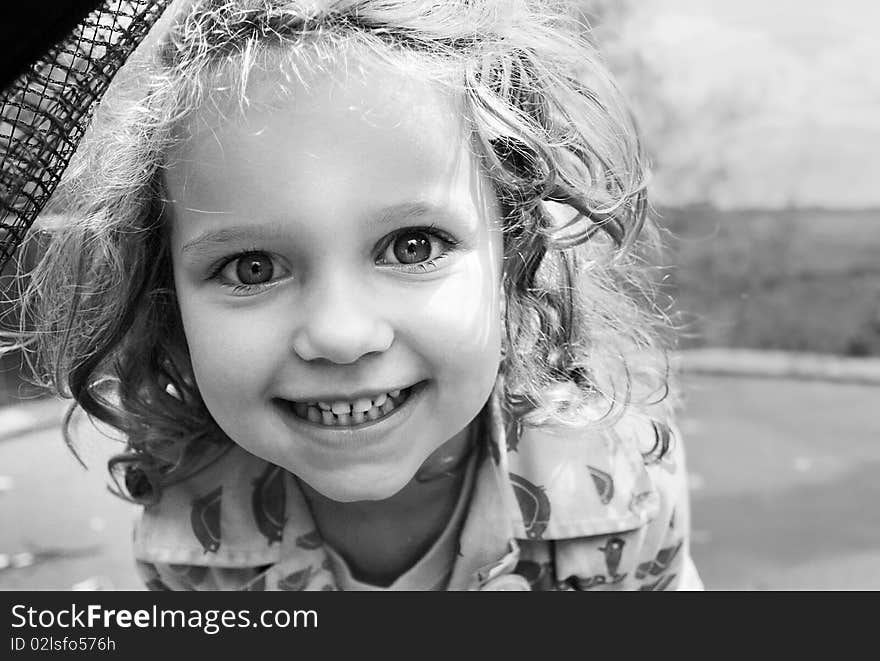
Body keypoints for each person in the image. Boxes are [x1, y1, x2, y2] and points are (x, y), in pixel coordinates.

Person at [12, 0, 703, 591]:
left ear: (515, 256)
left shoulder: (625, 490)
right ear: (167, 299)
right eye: (252, 267)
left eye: (413, 246)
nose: (341, 334)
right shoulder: (191, 540)